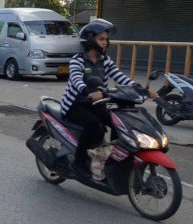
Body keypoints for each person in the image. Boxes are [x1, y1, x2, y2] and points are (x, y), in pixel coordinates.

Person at [61, 19, 157, 177]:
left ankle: (107, 158)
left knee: (118, 123)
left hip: (97, 102)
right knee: (93, 124)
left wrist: (141, 89)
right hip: (75, 104)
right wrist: (87, 91)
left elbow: (120, 77)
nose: (105, 42)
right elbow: (76, 80)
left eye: (106, 39)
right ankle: (79, 162)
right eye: (101, 39)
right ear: (91, 41)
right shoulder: (77, 61)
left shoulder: (105, 61)